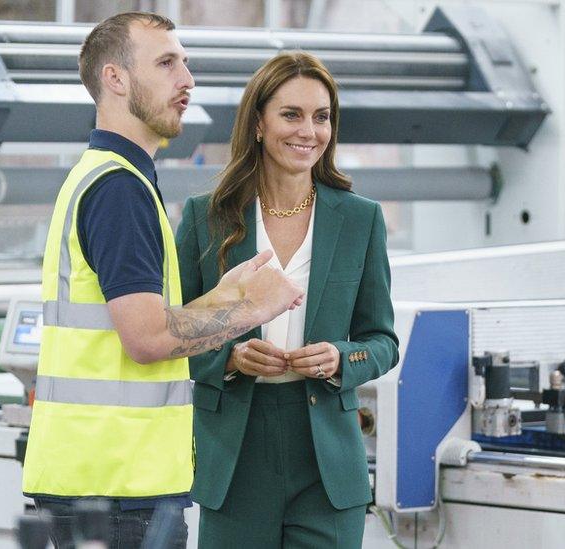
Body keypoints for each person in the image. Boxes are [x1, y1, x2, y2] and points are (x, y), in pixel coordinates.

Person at [20, 13, 304, 549]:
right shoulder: (118, 190)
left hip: (104, 481)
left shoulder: (110, 177)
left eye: (186, 63)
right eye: (167, 62)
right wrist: (251, 310)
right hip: (114, 488)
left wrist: (224, 296)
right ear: (116, 79)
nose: (187, 80)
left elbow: (136, 321)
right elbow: (147, 338)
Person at [176, 52, 400, 548]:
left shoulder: (360, 220)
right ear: (258, 123)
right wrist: (228, 357)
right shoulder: (205, 218)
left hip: (326, 460)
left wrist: (342, 357)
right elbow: (170, 333)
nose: (309, 131)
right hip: (235, 453)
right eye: (291, 115)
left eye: (322, 117)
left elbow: (382, 340)